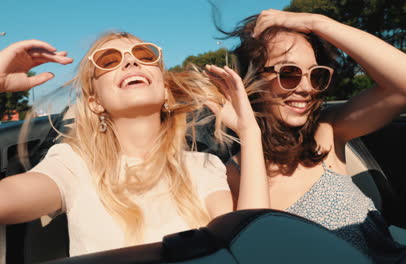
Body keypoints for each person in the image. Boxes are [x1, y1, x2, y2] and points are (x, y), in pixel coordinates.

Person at [214, 9, 406, 263]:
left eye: (316, 74)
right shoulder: (235, 173)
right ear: (251, 78)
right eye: (288, 73)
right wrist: (250, 133)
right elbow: (255, 249)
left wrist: (316, 22)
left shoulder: (326, 131)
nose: (307, 88)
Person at [0, 32, 268, 256]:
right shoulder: (75, 164)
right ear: (95, 103)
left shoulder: (204, 166)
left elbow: (251, 246)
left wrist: (251, 134)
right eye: (109, 60)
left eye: (145, 55)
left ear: (164, 89)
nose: (130, 62)